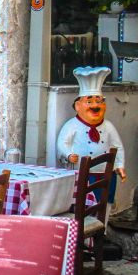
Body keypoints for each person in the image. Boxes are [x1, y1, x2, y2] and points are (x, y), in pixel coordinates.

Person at [56, 66, 126, 201]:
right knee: (83, 201)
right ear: (78, 106)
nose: (95, 106)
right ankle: (84, 221)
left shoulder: (108, 126)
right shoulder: (72, 125)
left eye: (99, 101)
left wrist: (120, 166)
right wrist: (69, 154)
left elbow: (118, 147)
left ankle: (103, 221)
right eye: (89, 101)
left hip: (106, 173)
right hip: (82, 173)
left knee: (106, 200)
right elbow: (62, 143)